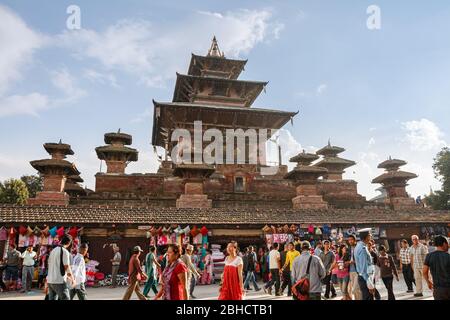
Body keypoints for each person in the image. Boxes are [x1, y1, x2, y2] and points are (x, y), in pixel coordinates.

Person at [47, 235, 75, 300]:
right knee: (66, 298)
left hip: (50, 280)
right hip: (59, 281)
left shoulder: (53, 251)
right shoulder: (64, 251)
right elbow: (66, 266)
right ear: (69, 243)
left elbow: (50, 265)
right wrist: (72, 279)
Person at [423, 235, 450, 300]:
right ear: (444, 244)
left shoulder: (429, 256)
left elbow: (424, 272)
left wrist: (428, 282)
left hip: (437, 289)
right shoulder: (448, 256)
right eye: (447, 244)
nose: (448, 246)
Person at [354, 228, 376, 300]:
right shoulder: (362, 249)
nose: (371, 237)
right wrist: (370, 284)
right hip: (365, 278)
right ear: (366, 237)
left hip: (364, 278)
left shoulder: (359, 246)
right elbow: (364, 269)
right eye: (370, 235)